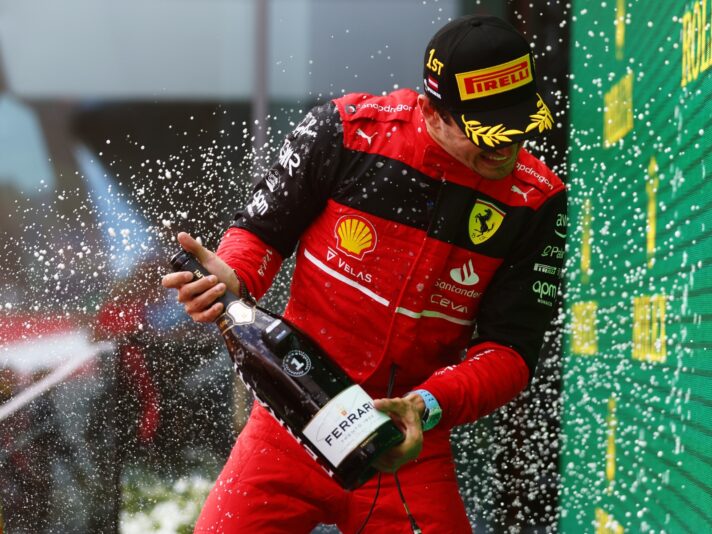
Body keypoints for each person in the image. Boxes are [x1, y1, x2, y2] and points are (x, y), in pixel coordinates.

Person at [162, 14, 566, 533]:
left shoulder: (538, 200)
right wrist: (232, 280)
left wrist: (427, 405)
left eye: (518, 125)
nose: (507, 148)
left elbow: (509, 353)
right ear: (431, 110)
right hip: (290, 423)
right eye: (487, 134)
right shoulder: (344, 132)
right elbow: (260, 235)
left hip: (407, 443)